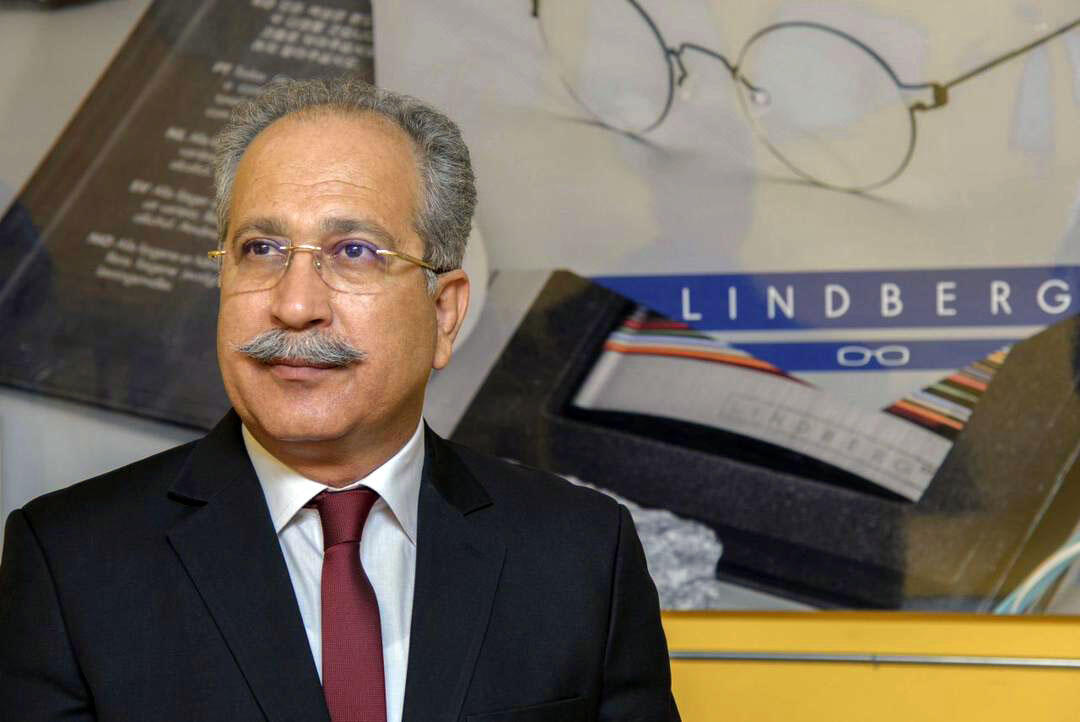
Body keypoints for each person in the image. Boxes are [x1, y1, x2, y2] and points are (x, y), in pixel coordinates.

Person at [0, 77, 679, 721]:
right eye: (261, 248)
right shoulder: (71, 562)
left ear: (443, 314)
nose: (295, 305)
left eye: (354, 251)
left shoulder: (580, 554)